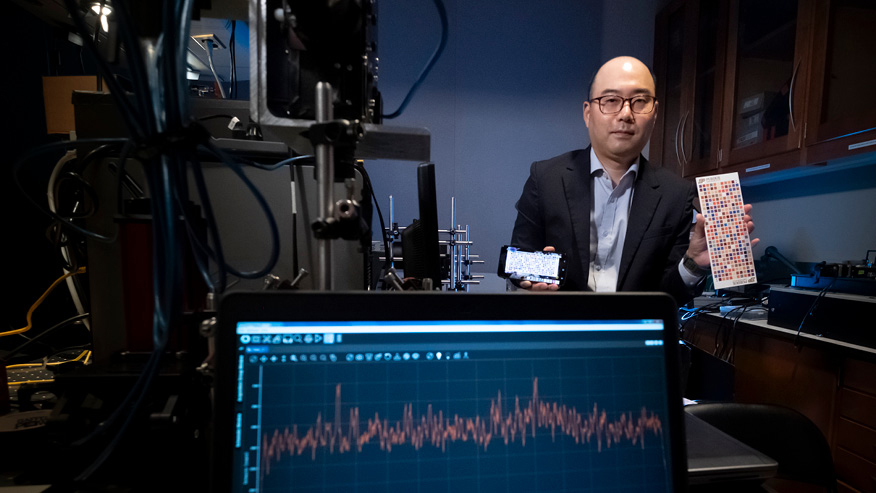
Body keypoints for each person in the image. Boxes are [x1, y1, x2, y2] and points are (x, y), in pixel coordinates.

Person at [509, 56, 757, 305]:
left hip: (635, 337)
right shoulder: (545, 178)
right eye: (611, 101)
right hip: (562, 335)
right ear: (587, 113)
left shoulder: (677, 194)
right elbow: (518, 263)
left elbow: (668, 295)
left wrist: (693, 263)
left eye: (640, 101)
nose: (626, 114)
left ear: (655, 113)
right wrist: (531, 278)